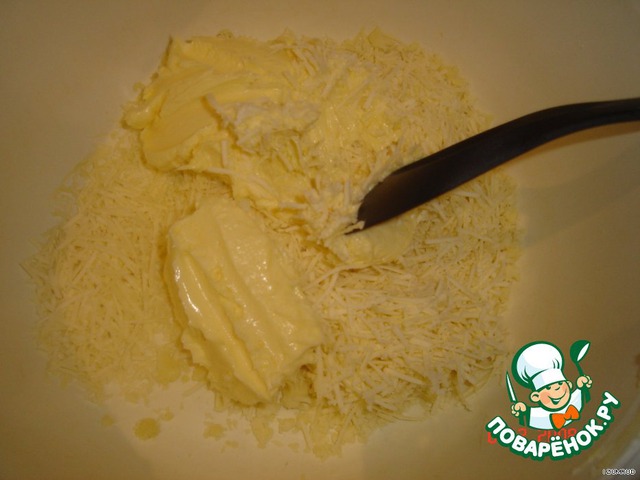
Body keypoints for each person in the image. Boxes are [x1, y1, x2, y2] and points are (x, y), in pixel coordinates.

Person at [510, 341, 592, 430]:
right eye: (548, 388)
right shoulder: (537, 416)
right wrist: (522, 410)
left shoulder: (576, 399)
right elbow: (525, 419)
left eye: (560, 383)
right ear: (535, 397)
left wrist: (582, 386)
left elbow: (585, 398)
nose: (557, 389)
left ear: (569, 385)